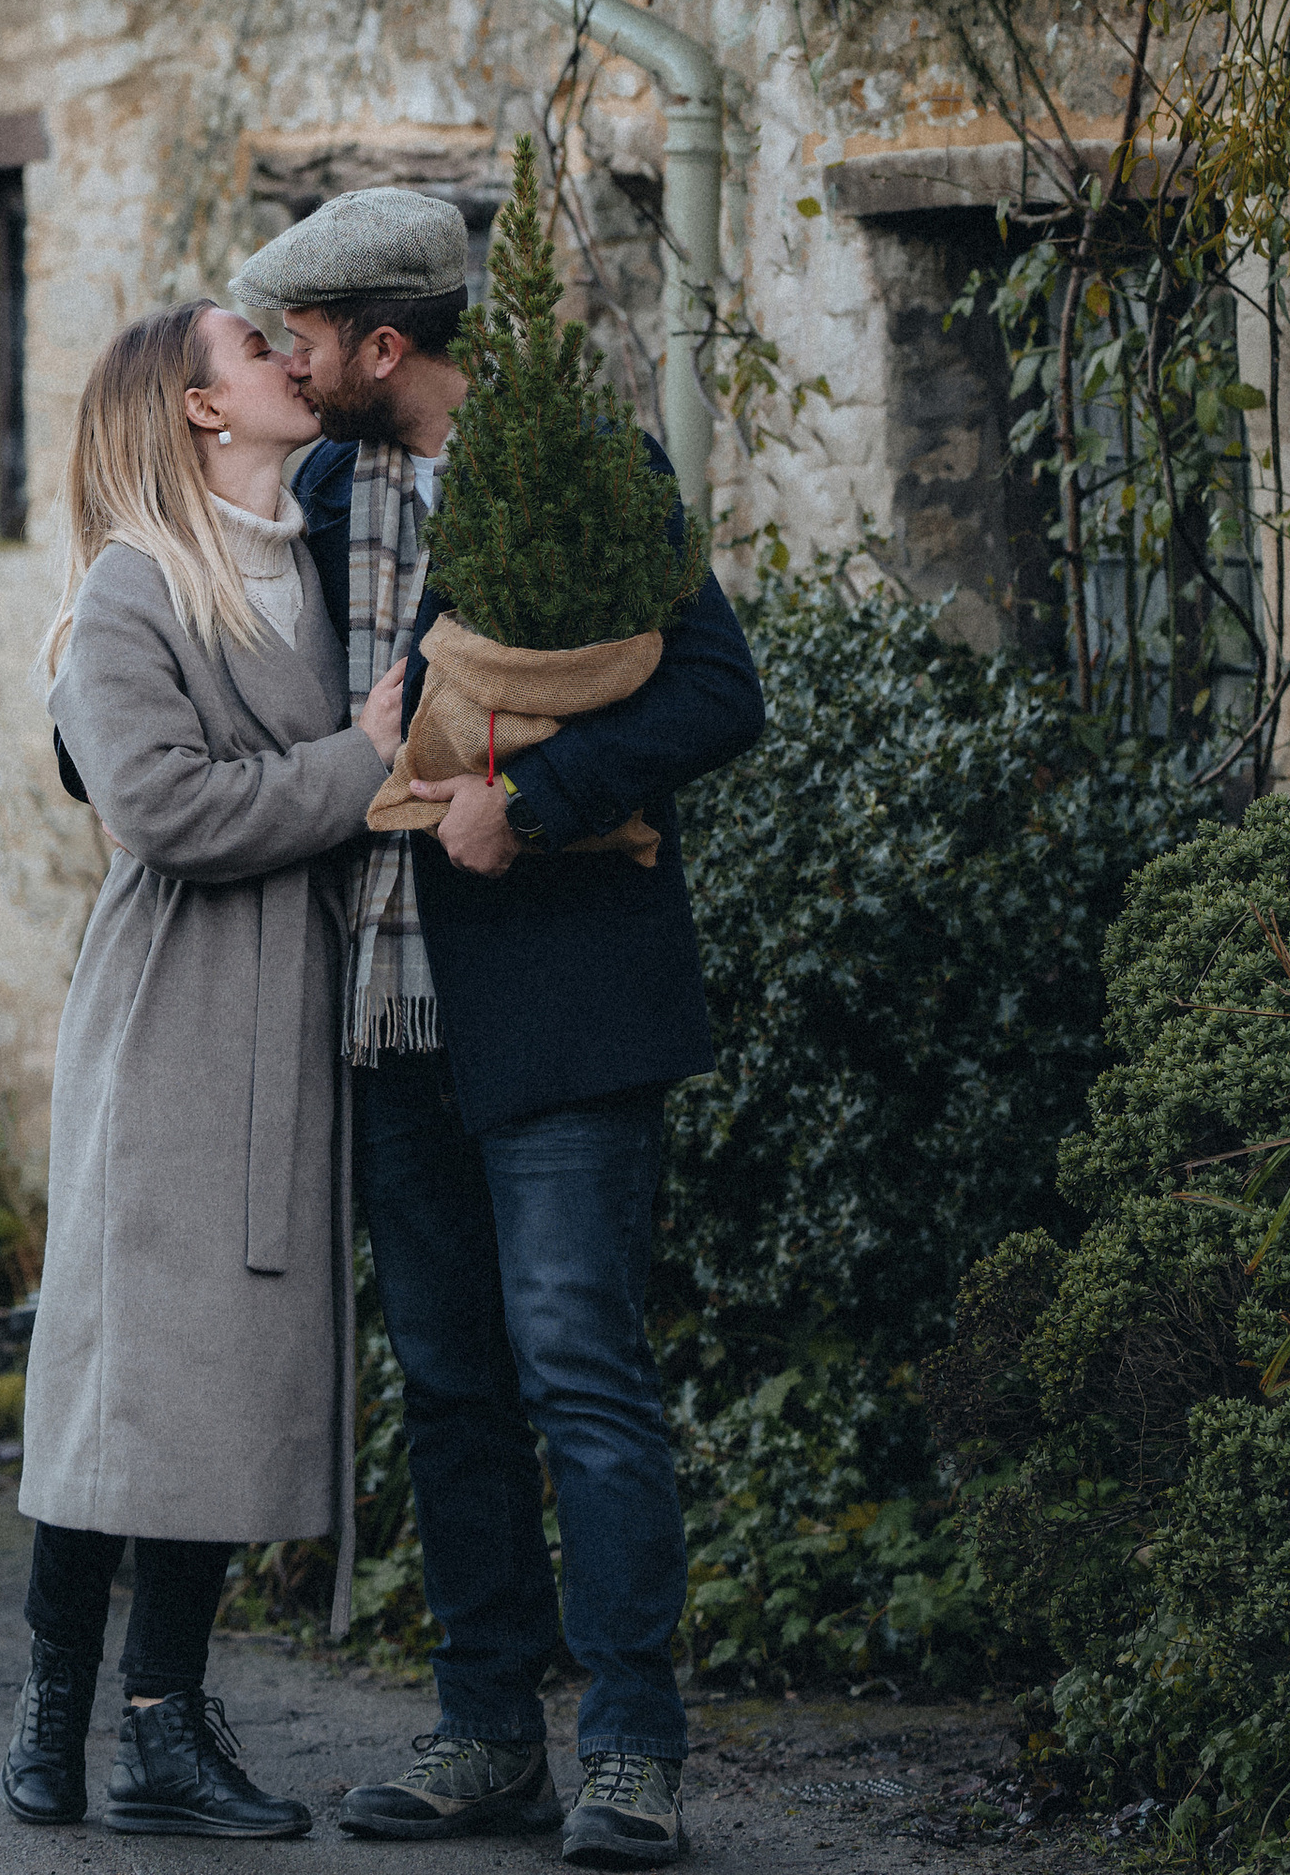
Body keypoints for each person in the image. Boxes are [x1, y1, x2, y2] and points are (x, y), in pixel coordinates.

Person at [226, 190, 765, 1864]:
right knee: (450, 1386)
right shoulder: (313, 493)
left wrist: (526, 799)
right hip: (382, 1015)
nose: (286, 367)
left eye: (305, 341)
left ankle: (631, 1752)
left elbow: (715, 695)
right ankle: (483, 1739)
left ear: (385, 346)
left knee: (581, 1375)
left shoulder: (586, 471)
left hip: (561, 1011)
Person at [7, 297, 411, 1840]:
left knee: (225, 1384)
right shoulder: (127, 594)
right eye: (256, 350)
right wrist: (361, 764)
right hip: (170, 1019)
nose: (287, 365)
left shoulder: (314, 558)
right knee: (123, 1382)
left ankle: (161, 1730)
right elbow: (165, 811)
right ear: (196, 408)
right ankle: (53, 1712)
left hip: (290, 1020)